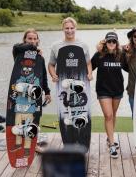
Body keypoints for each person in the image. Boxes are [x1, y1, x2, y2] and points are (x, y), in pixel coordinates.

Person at [11, 28, 51, 156]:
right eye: (30, 38)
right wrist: (33, 48)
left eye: (35, 39)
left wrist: (47, 92)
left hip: (36, 93)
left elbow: (43, 75)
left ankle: (33, 145)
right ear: (25, 40)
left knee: (34, 120)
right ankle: (18, 144)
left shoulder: (40, 58)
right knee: (19, 119)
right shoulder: (18, 53)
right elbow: (15, 46)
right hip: (20, 92)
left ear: (38, 40)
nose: (33, 41)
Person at [91, 32, 126, 158]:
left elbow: (131, 67)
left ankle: (109, 137)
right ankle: (112, 144)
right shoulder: (99, 55)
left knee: (113, 115)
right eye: (109, 41)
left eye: (114, 41)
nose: (111, 43)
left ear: (117, 43)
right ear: (105, 42)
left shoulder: (121, 55)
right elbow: (89, 66)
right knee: (108, 115)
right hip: (103, 90)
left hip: (117, 90)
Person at [48, 17, 92, 82]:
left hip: (80, 83)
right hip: (62, 84)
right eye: (67, 28)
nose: (69, 31)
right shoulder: (55, 46)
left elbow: (88, 63)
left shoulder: (83, 45)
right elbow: (51, 64)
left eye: (72, 28)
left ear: (75, 28)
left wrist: (90, 74)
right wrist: (53, 75)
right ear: (63, 29)